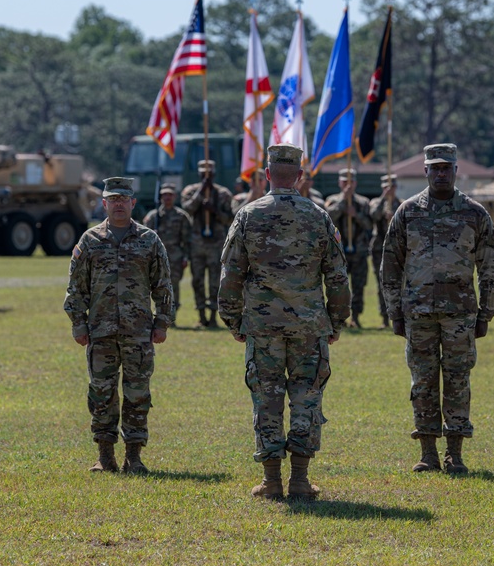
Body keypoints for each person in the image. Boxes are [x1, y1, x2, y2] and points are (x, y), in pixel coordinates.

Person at [219, 144, 351, 500]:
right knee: (306, 396)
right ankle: (301, 480)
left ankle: (271, 481)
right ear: (300, 176)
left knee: (267, 397)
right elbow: (338, 276)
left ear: (266, 176)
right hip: (309, 325)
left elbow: (231, 273)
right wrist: (336, 321)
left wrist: (234, 320)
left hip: (262, 326)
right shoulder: (319, 216)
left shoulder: (248, 215)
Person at [382, 143, 494, 475]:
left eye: (446, 167)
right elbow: (390, 263)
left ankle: (455, 453)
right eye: (434, 168)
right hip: (418, 313)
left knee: (458, 381)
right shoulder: (408, 212)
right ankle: (428, 452)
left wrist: (486, 313)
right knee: (422, 382)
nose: (440, 173)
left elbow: (488, 267)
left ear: (456, 170)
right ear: (425, 171)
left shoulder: (474, 214)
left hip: (460, 314)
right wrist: (394, 312)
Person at [64, 177, 173, 474]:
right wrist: (78, 324)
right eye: (113, 199)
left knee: (138, 394)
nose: (119, 204)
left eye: (124, 199)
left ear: (133, 203)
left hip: (139, 332)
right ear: (104, 204)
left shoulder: (149, 239)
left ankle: (134, 456)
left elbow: (162, 286)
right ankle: (105, 455)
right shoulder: (90, 240)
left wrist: (162, 323)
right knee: (102, 393)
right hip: (100, 331)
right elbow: (76, 287)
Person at [181, 160, 234, 327]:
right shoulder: (190, 191)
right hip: (197, 243)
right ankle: (201, 314)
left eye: (209, 175)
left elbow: (229, 219)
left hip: (216, 243)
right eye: (203, 174)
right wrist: (201, 192)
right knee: (197, 280)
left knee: (214, 281)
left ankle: (212, 315)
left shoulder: (224, 193)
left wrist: (215, 210)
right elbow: (187, 209)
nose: (206, 177)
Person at [324, 168, 373, 328]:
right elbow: (328, 218)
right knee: (340, 286)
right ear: (339, 182)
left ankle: (356, 317)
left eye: (351, 182)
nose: (348, 185)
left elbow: (369, 225)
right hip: (339, 251)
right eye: (345, 182)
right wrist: (343, 202)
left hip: (358, 251)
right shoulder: (332, 200)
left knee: (358, 286)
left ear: (356, 183)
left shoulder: (363, 203)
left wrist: (356, 215)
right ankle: (340, 318)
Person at [143, 183, 192, 326]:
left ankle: (172, 316)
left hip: (175, 257)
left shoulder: (182, 216)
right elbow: (144, 239)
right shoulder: (152, 217)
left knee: (173, 286)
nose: (167, 197)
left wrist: (185, 257)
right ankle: (159, 315)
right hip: (157, 258)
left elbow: (186, 239)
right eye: (164, 195)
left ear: (174, 196)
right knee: (157, 286)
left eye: (170, 195)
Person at [369, 174, 401, 328]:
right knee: (381, 284)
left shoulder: (401, 205)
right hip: (378, 249)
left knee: (398, 284)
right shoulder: (376, 202)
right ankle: (384, 318)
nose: (389, 190)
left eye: (392, 187)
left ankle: (398, 316)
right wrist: (383, 199)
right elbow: (373, 215)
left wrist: (394, 218)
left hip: (396, 250)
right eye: (386, 187)